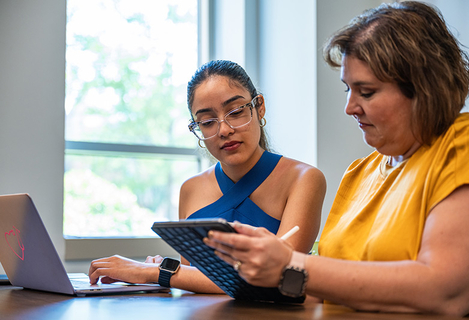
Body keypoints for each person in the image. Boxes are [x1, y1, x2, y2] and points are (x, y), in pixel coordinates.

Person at [205, 2, 469, 317]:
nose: (350, 107)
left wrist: (291, 263)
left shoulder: (467, 144)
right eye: (348, 90)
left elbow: (447, 290)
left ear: (423, 88)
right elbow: (329, 286)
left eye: (366, 92)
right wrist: (273, 261)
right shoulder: (360, 172)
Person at [88, 60, 326, 294]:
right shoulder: (190, 189)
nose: (224, 130)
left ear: (259, 106)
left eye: (235, 111)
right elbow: (191, 281)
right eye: (208, 121)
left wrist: (155, 272)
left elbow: (277, 276)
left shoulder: (304, 180)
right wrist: (161, 270)